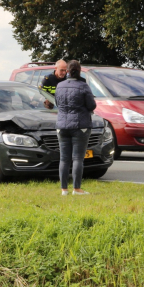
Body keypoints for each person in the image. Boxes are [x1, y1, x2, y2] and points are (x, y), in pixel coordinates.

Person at [55, 60, 96, 196]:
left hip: (62, 125)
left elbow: (57, 103)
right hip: (80, 126)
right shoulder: (83, 86)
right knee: (77, 158)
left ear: (67, 71)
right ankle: (77, 189)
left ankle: (64, 190)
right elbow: (92, 105)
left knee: (64, 158)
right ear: (79, 71)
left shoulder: (59, 86)